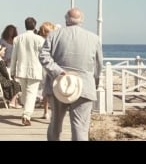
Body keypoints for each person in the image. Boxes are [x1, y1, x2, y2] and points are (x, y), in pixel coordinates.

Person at [39, 7, 103, 141]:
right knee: (80, 127)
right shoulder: (94, 38)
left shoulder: (54, 35)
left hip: (59, 85)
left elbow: (43, 56)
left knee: (55, 124)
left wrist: (58, 71)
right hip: (84, 86)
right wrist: (94, 83)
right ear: (82, 21)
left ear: (66, 20)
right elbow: (98, 66)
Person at [10, 17, 45, 126]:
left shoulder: (18, 38)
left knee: (25, 93)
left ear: (25, 25)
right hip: (35, 70)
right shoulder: (40, 39)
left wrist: (12, 70)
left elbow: (14, 56)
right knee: (31, 93)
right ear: (35, 26)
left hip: (22, 69)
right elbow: (43, 56)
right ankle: (26, 115)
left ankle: (26, 113)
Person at [38, 21, 56, 120]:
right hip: (49, 67)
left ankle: (46, 111)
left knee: (46, 90)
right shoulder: (48, 40)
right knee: (51, 90)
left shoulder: (43, 40)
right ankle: (49, 111)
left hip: (44, 67)